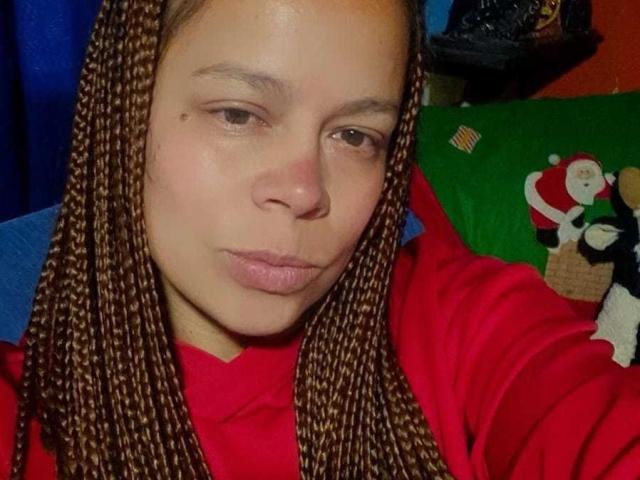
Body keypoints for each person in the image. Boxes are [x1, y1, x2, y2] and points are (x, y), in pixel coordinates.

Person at [0, 0, 638, 478]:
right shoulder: (23, 420)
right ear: (123, 112)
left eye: (356, 135)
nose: (305, 191)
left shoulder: (456, 319)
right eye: (238, 114)